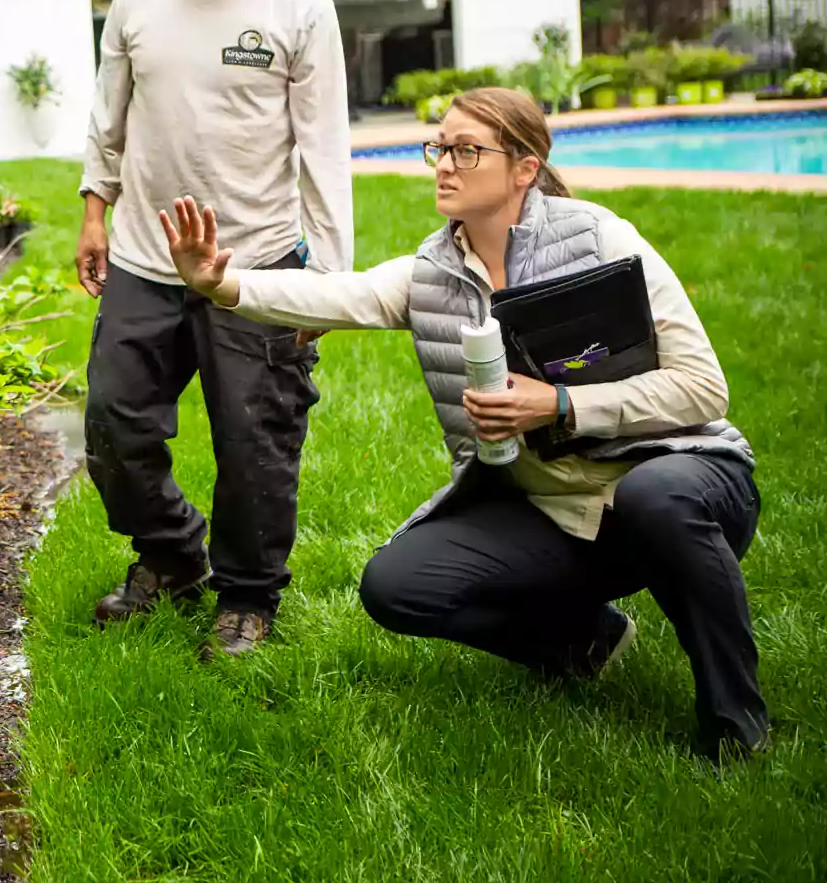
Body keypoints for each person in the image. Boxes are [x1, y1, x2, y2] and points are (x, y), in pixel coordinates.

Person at [159, 87, 765, 758]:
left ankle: (735, 723)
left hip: (677, 479)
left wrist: (562, 406)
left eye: (466, 150)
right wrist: (221, 283)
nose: (443, 163)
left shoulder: (601, 240)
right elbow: (343, 293)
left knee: (656, 499)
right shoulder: (434, 273)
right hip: (557, 511)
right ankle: (584, 640)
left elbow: (704, 388)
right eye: (438, 147)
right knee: (398, 586)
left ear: (524, 167)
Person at [79, 0, 352, 656]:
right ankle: (169, 556)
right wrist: (95, 206)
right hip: (144, 257)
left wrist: (328, 283)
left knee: (254, 443)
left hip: (256, 266)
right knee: (112, 423)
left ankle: (248, 598)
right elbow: (108, 114)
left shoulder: (301, 8)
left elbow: (324, 152)